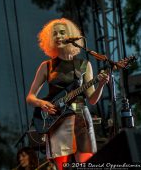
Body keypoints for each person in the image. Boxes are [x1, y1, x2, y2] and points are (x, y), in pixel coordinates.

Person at [26, 18, 109, 170]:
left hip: (80, 117)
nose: (58, 36)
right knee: (62, 167)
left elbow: (92, 100)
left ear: (71, 35)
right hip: (57, 120)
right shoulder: (46, 66)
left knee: (86, 164)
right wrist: (41, 103)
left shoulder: (84, 65)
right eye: (55, 34)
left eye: (62, 33)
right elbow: (30, 97)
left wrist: (101, 85)